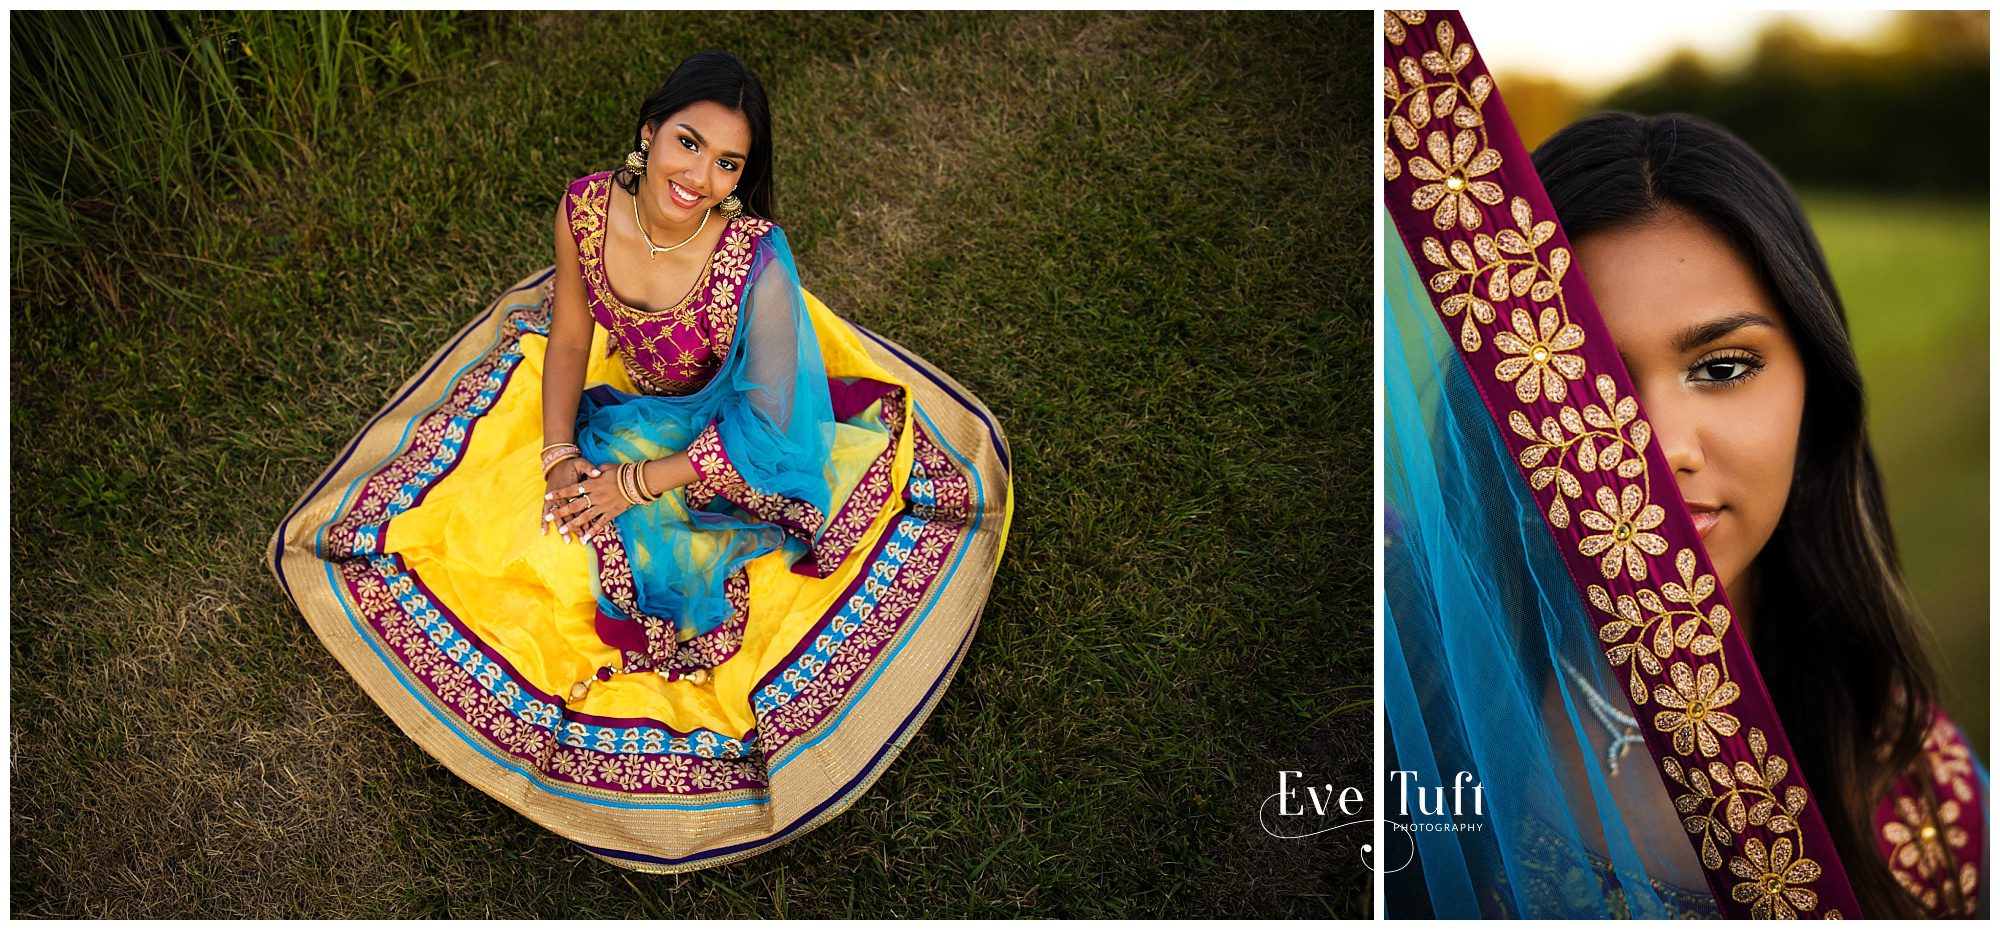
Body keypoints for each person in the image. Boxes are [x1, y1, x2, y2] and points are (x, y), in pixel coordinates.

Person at [268, 49, 1014, 873]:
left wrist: (631, 483)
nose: (700, 175)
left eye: (728, 163)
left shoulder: (756, 256)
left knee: (645, 566)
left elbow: (768, 425)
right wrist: (558, 457)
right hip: (629, 412)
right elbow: (574, 335)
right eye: (688, 143)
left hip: (725, 436)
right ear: (649, 131)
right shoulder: (587, 208)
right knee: (523, 532)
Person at [1380, 10, 1984, 919]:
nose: (1660, 447)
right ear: (1500, 406)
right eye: (1588, 383)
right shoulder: (1403, 694)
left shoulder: (1921, 788)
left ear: (1815, 392)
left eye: (1724, 368)